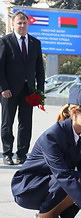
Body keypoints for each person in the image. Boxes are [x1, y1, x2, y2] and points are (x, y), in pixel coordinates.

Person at [11, 84, 81, 218]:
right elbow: (62, 175)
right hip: (30, 186)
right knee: (74, 179)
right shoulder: (53, 135)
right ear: (74, 112)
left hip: (53, 183)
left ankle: (51, 217)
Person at [0, 11, 45, 165]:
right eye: (19, 23)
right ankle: (7, 153)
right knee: (7, 123)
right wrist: (3, 88)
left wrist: (40, 91)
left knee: (25, 124)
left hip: (29, 91)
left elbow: (39, 70)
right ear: (13, 24)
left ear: (28, 24)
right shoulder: (5, 41)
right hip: (9, 92)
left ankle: (22, 154)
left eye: (24, 23)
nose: (22, 25)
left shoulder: (35, 43)